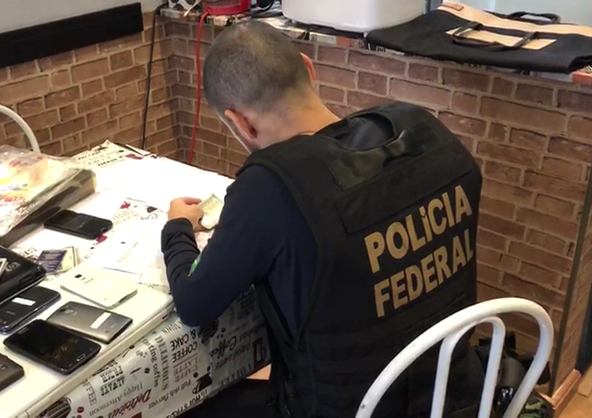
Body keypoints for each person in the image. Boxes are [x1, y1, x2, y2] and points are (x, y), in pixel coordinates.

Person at [160, 21, 484, 418]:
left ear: (240, 122)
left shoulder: (270, 186)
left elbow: (194, 303)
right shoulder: (423, 129)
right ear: (309, 69)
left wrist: (177, 227)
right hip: (451, 394)